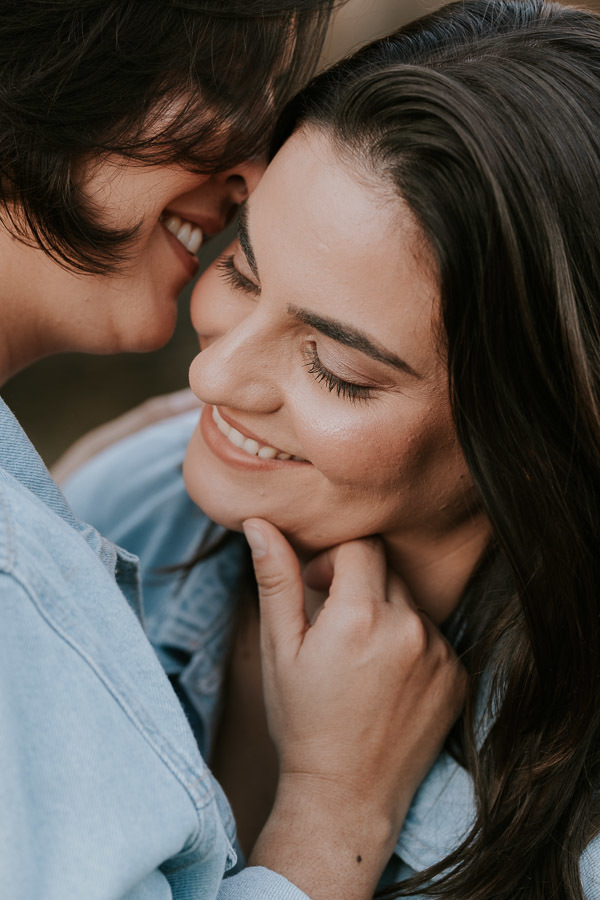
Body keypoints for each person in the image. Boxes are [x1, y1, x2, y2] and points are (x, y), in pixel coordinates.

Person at [64, 0, 600, 897]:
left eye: (339, 368)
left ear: (528, 433)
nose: (214, 379)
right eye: (241, 268)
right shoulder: (124, 504)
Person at [0, 2, 421, 898]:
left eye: (339, 366)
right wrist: (332, 819)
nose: (254, 167)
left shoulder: (105, 496)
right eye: (221, 82)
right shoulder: (51, 551)